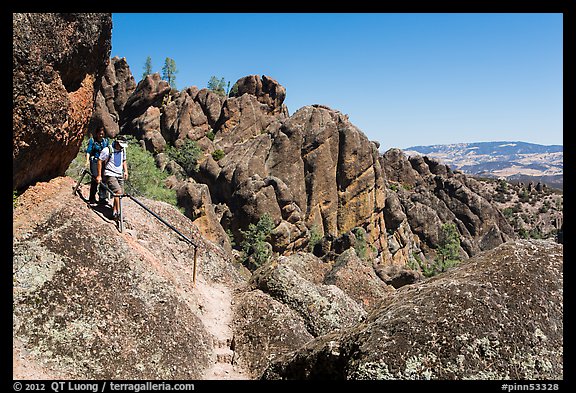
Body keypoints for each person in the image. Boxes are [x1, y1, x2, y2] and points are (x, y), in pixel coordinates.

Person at [97, 135, 129, 221]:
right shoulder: (107, 150)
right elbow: (100, 161)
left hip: (119, 174)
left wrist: (126, 171)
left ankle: (114, 212)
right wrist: (99, 175)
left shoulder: (123, 150)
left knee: (119, 194)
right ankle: (118, 213)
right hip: (110, 173)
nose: (122, 147)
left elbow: (124, 160)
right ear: (117, 142)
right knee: (117, 191)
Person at [85, 127, 109, 205]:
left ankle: (102, 198)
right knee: (95, 177)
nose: (101, 135)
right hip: (94, 161)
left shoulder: (105, 141)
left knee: (104, 179)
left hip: (103, 162)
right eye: (99, 134)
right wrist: (87, 161)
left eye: (102, 134)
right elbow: (89, 151)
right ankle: (92, 198)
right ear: (97, 133)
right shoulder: (92, 141)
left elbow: (108, 152)